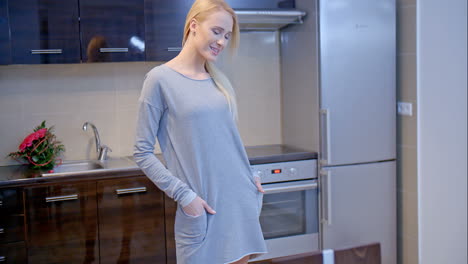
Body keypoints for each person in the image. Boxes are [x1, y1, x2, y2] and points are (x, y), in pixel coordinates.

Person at [133, 0, 267, 263]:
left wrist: (251, 176)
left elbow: (226, 142)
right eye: (217, 31)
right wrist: (185, 196)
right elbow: (142, 152)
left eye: (227, 36)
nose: (222, 42)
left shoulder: (219, 82)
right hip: (202, 210)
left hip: (239, 201)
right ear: (194, 25)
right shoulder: (159, 80)